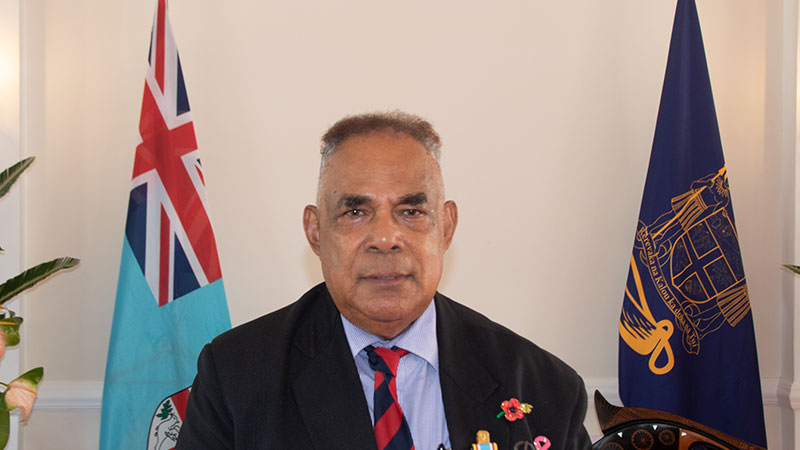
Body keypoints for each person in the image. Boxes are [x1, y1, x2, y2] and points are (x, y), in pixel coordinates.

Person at [176, 111, 591, 450]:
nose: (386, 239)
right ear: (315, 232)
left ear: (446, 228)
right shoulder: (237, 377)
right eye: (355, 212)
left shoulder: (545, 387)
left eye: (411, 212)